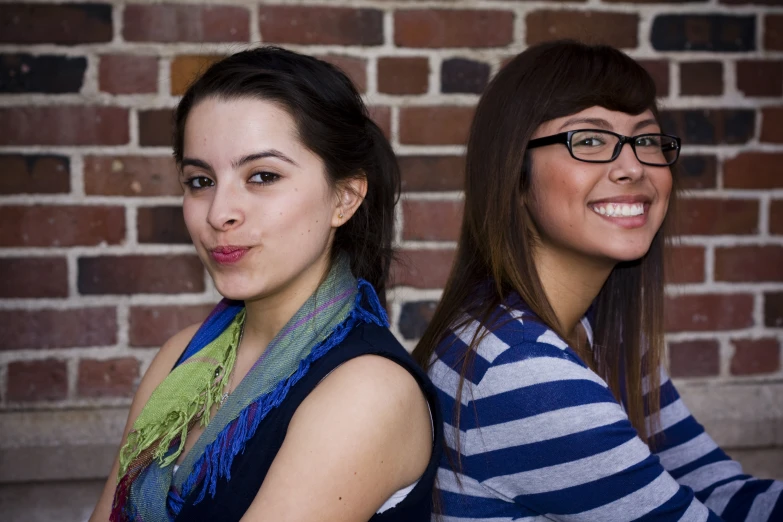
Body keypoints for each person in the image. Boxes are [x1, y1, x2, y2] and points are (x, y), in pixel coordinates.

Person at [412, 40, 782, 521]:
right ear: (516, 177)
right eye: (589, 140)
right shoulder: (522, 371)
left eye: (646, 140)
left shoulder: (598, 332)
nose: (632, 167)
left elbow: (711, 483)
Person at [90, 46, 441, 522]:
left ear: (345, 197)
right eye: (199, 181)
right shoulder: (181, 357)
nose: (219, 213)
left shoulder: (368, 391)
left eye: (262, 176)